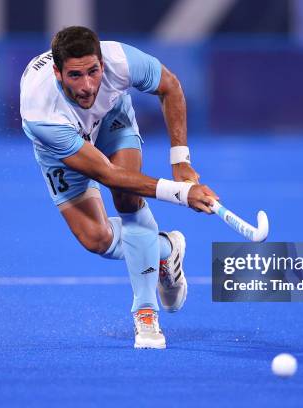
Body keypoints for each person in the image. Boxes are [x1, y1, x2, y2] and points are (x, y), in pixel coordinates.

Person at [20, 26, 218, 349]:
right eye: (74, 75)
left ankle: (146, 314)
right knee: (95, 238)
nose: (87, 86)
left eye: (93, 72)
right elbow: (107, 174)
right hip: (63, 146)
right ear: (57, 73)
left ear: (102, 62)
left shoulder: (120, 60)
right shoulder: (40, 113)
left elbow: (170, 86)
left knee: (128, 201)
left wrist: (180, 159)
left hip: (111, 119)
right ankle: (166, 251)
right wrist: (183, 194)